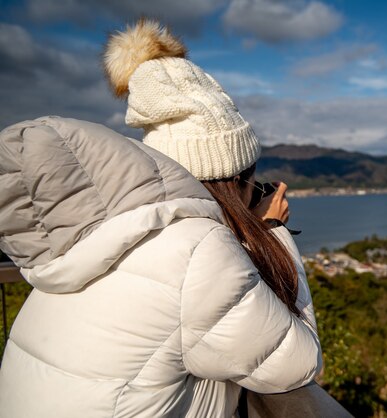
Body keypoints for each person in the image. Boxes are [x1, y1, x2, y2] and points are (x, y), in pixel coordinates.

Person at [0, 19, 324, 417]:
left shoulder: (107, 233)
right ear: (235, 180)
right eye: (251, 178)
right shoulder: (196, 251)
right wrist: (273, 232)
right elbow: (299, 363)